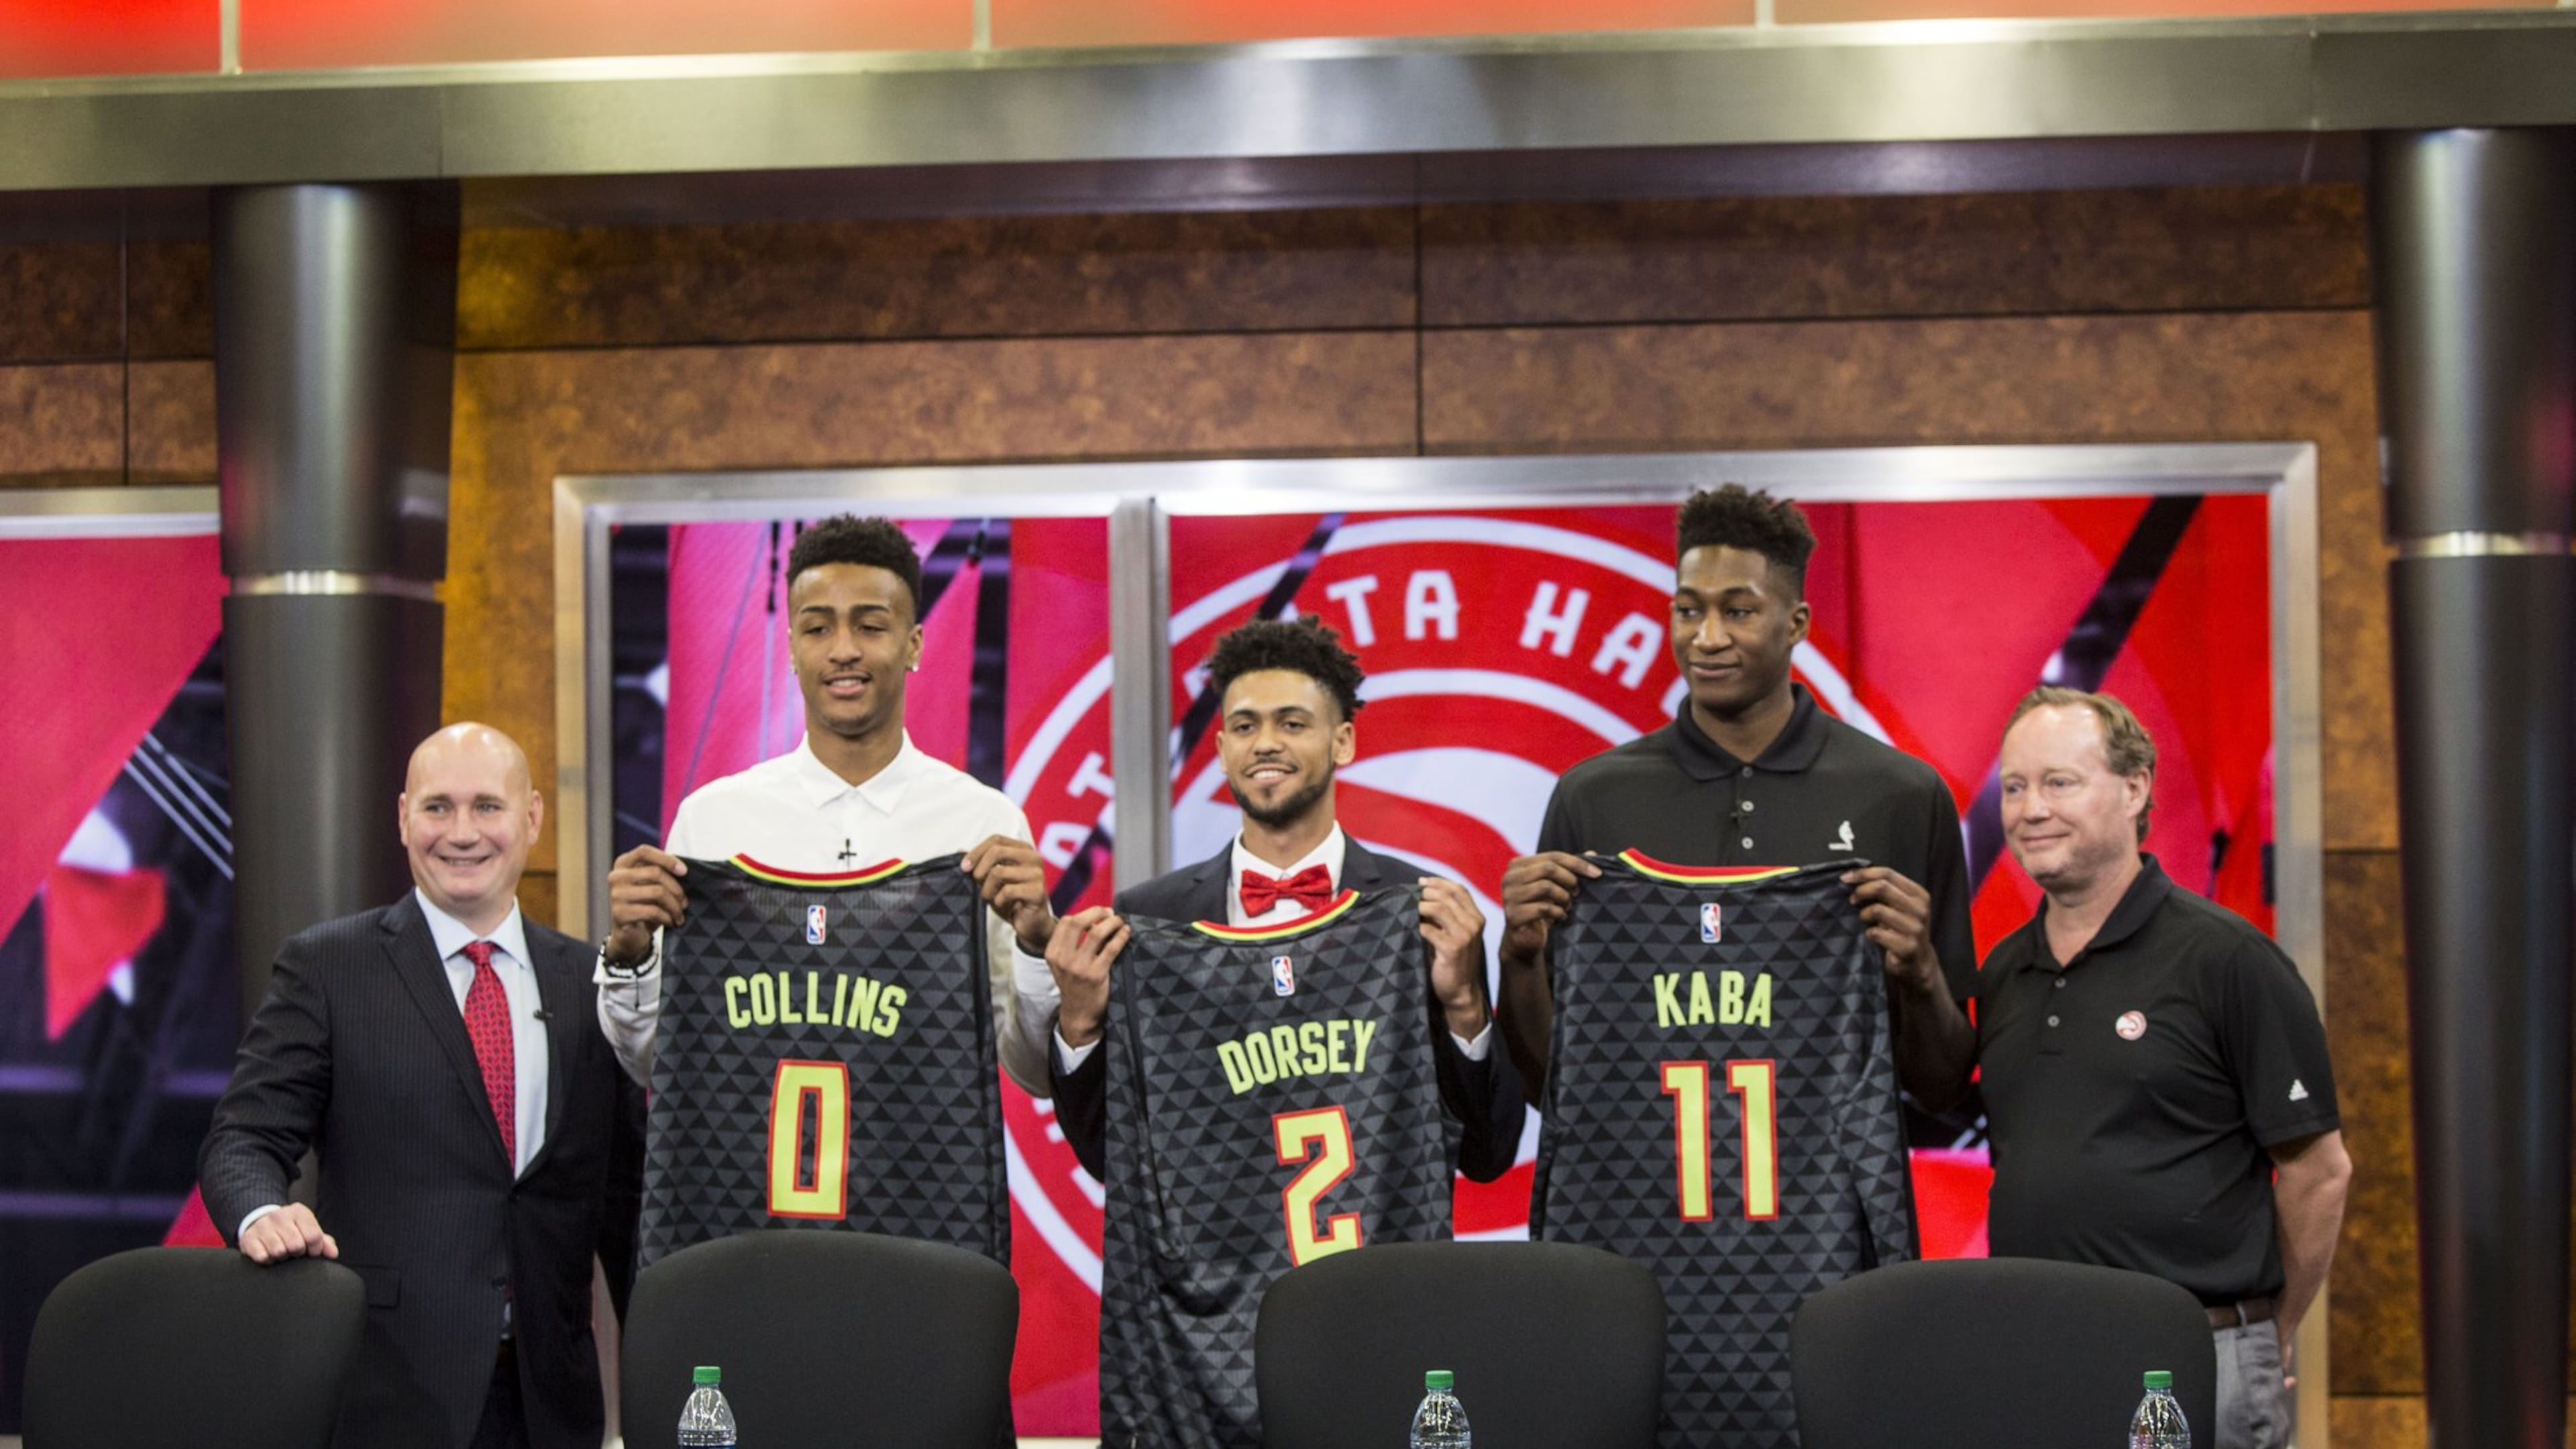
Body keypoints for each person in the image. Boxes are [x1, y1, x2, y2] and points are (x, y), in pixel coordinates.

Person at [199, 722, 644, 1449]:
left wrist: (673, 1372)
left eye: (487, 808)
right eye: (438, 807)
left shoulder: (590, 981)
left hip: (550, 1405)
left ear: (532, 817)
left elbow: (626, 1208)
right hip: (389, 1397)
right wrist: (259, 1214)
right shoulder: (326, 968)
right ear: (403, 816)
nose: (462, 832)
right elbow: (242, 1138)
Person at [1495, 483, 1977, 1105]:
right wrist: (1519, 958)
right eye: (1689, 610)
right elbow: (1546, 1086)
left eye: (1739, 611)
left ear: (1796, 623)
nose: (1707, 637)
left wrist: (1920, 975)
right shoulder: (1593, 796)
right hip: (1639, 1193)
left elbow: (1941, 1085)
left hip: (1834, 1198)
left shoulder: (1901, 794)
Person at [1976, 687, 2349, 1449]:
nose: (2030, 809)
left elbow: (2319, 1169)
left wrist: (2268, 1330)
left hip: (2191, 1362)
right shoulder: (2005, 970)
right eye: (2014, 787)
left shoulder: (2228, 960)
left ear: (2135, 787)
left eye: (2059, 782)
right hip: (2034, 1360)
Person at [1044, 614, 1524, 1182]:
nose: (1266, 743)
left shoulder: (1423, 913)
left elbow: (1487, 1155)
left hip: (1380, 1267)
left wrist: (1466, 1007)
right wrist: (1078, 1026)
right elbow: (1110, 1161)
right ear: (1222, 749)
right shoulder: (1150, 917)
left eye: (1292, 723)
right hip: (1212, 1267)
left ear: (1342, 740)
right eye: (1245, 728)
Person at [594, 514, 1062, 1095]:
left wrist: (1039, 945)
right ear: (791, 647)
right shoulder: (712, 822)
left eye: (870, 626)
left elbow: (1035, 1072)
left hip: (926, 1182)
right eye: (818, 629)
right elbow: (654, 1064)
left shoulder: (983, 825)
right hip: (749, 1180)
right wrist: (629, 959)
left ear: (914, 643)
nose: (843, 650)